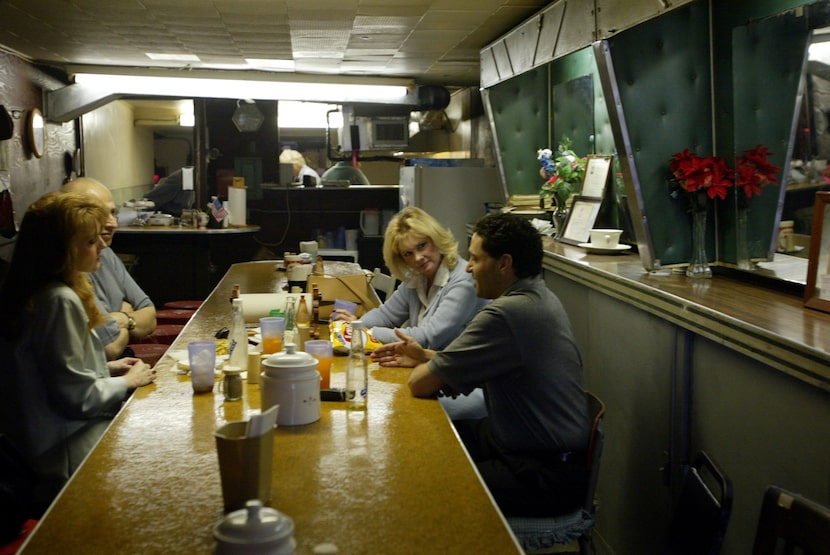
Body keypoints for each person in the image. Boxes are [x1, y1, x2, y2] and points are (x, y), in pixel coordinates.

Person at [371, 212, 590, 518]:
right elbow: (472, 363)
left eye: (475, 259)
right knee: (427, 447)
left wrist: (430, 367)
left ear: (504, 263)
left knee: (415, 485)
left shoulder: (504, 315)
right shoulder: (537, 296)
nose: (469, 267)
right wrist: (426, 356)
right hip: (530, 447)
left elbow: (419, 384)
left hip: (542, 474)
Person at [0, 191, 157, 518]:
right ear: (60, 250)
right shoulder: (60, 300)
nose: (101, 245)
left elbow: (53, 371)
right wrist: (129, 381)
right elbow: (79, 397)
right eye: (89, 241)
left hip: (37, 443)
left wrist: (105, 366)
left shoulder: (37, 290)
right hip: (64, 453)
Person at [332, 206, 487, 350]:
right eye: (408, 254)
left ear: (436, 238)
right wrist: (357, 326)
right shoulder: (419, 277)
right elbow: (386, 315)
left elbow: (428, 337)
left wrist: (369, 333)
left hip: (458, 374)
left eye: (422, 246)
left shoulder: (464, 280)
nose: (418, 258)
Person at [63, 177, 157, 360]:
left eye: (114, 213)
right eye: (100, 214)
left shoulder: (105, 253)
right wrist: (129, 316)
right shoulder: (72, 269)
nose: (112, 223)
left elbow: (150, 314)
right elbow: (109, 348)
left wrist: (122, 318)